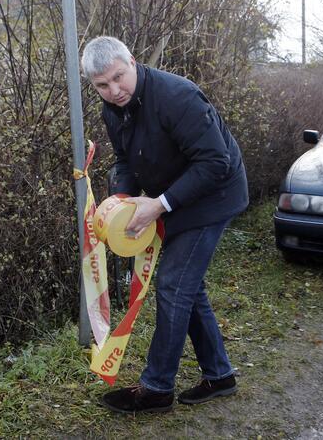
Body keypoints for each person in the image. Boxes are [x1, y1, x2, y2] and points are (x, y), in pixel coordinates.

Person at [81, 36, 248, 414]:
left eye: (119, 78)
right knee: (187, 287)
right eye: (102, 85)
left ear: (133, 62)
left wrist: (159, 204)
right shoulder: (113, 108)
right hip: (172, 197)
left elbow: (215, 163)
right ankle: (220, 375)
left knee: (173, 284)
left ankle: (156, 388)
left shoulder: (178, 96)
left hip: (213, 196)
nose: (114, 90)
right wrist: (121, 203)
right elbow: (124, 161)